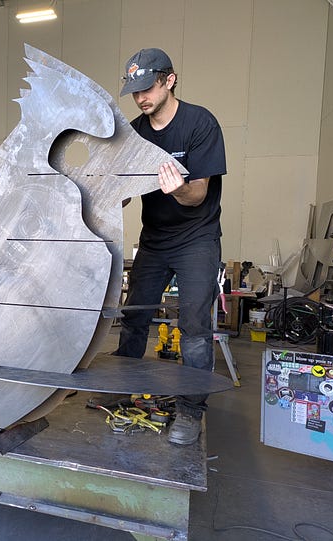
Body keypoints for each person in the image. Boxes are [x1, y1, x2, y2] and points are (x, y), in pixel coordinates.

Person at [115, 48, 227, 445]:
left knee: (194, 327)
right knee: (133, 318)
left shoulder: (200, 123)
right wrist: (105, 191)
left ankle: (191, 411)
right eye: (135, 91)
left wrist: (177, 188)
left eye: (148, 88)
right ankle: (122, 392)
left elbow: (197, 195)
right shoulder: (134, 133)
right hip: (154, 239)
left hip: (197, 238)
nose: (141, 97)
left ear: (170, 80)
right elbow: (122, 194)